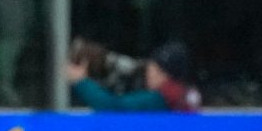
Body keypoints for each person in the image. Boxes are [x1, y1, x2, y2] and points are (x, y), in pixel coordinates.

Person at [67, 39, 202, 112]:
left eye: (154, 69)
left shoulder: (157, 100)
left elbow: (112, 107)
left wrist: (81, 81)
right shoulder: (186, 95)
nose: (148, 74)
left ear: (165, 74)